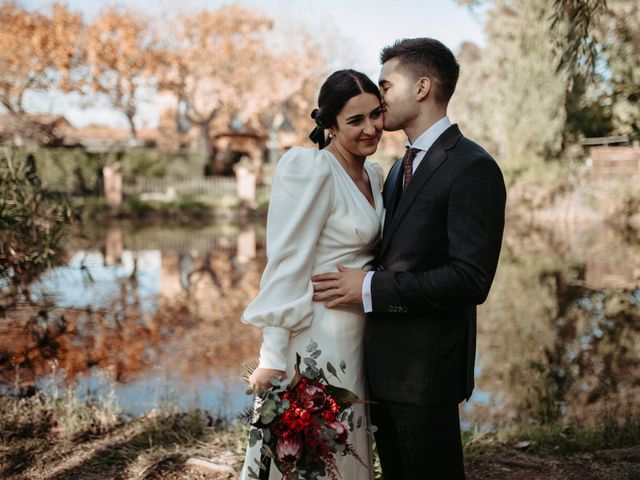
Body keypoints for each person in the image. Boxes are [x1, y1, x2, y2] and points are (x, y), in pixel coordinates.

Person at [312, 38, 507, 479]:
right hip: (380, 372)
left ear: (421, 87)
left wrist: (367, 286)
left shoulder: (472, 167)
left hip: (427, 375)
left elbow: (470, 279)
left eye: (386, 85)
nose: (379, 98)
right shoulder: (398, 168)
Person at [240, 69, 385, 480]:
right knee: (306, 454)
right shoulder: (312, 169)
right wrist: (272, 355)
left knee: (347, 446)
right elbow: (287, 260)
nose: (371, 128)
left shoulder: (376, 175)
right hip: (316, 335)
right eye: (355, 120)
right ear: (329, 124)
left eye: (376, 114)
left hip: (358, 334)